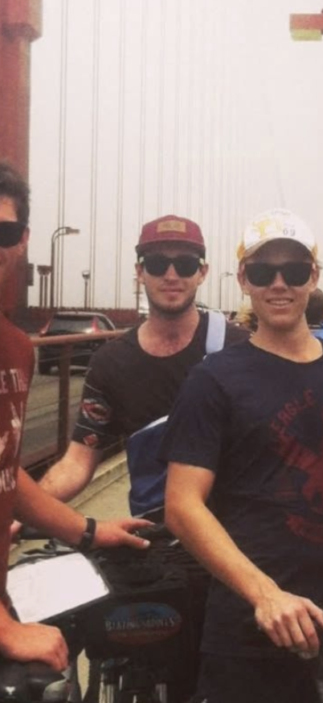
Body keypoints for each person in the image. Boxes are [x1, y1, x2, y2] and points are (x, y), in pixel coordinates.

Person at [161, 207, 323, 703]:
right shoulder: (213, 380)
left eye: (294, 271)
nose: (279, 284)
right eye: (262, 271)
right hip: (247, 633)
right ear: (243, 279)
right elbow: (182, 506)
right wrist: (265, 594)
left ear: (313, 278)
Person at [0, 161, 150, 672]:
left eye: (5, 232)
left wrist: (87, 531)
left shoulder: (16, 349)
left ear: (23, 239)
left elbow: (6, 472)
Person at [38, 213, 247, 518]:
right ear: (139, 272)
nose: (171, 275)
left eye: (186, 264)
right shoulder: (110, 362)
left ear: (202, 272)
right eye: (157, 264)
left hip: (234, 527)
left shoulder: (240, 347)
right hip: (156, 533)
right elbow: (77, 462)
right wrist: (19, 512)